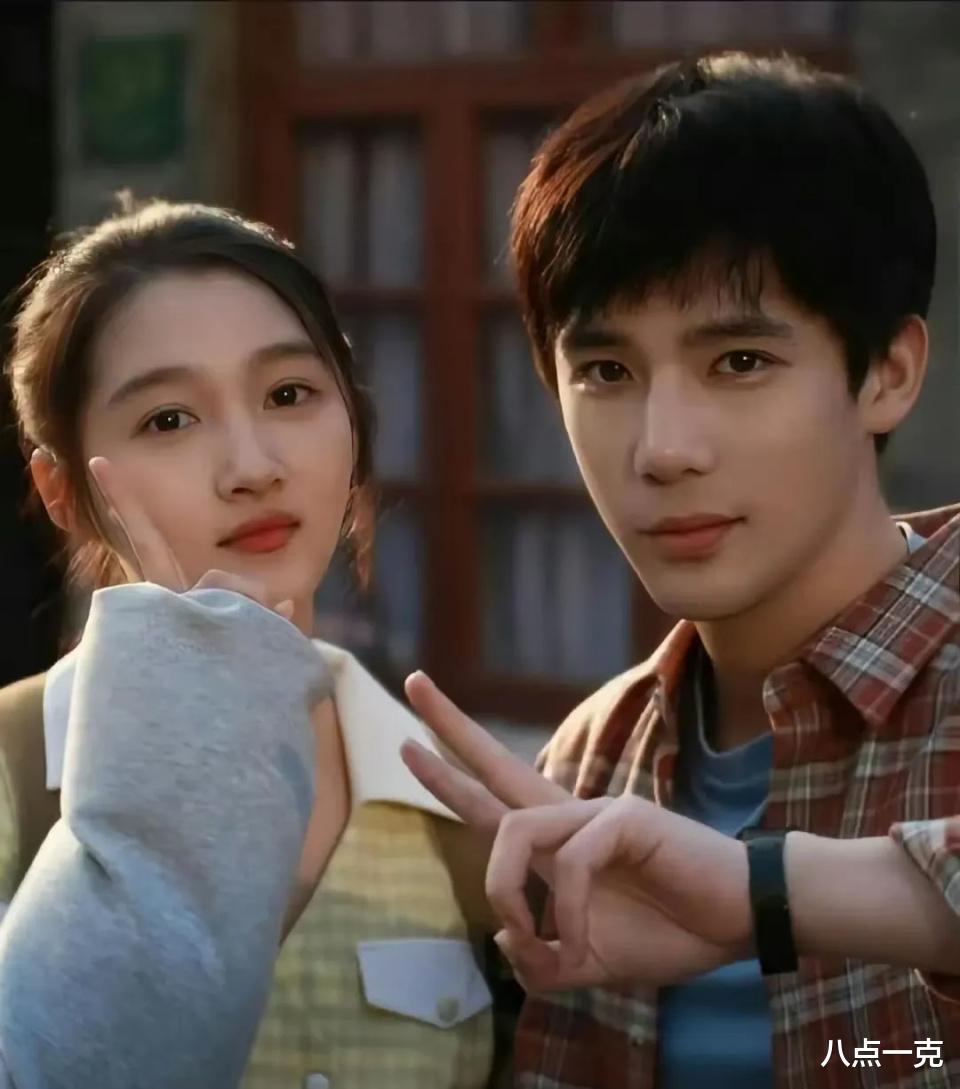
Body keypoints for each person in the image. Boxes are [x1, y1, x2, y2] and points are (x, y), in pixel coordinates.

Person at [398, 51, 960, 1088]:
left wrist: (765, 895)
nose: (663, 448)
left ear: (888, 372)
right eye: (606, 371)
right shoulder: (590, 764)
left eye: (739, 362)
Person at [0, 198, 507, 1089]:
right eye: (168, 419)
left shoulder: (458, 803)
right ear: (61, 489)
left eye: (288, 395)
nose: (253, 467)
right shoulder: (14, 776)